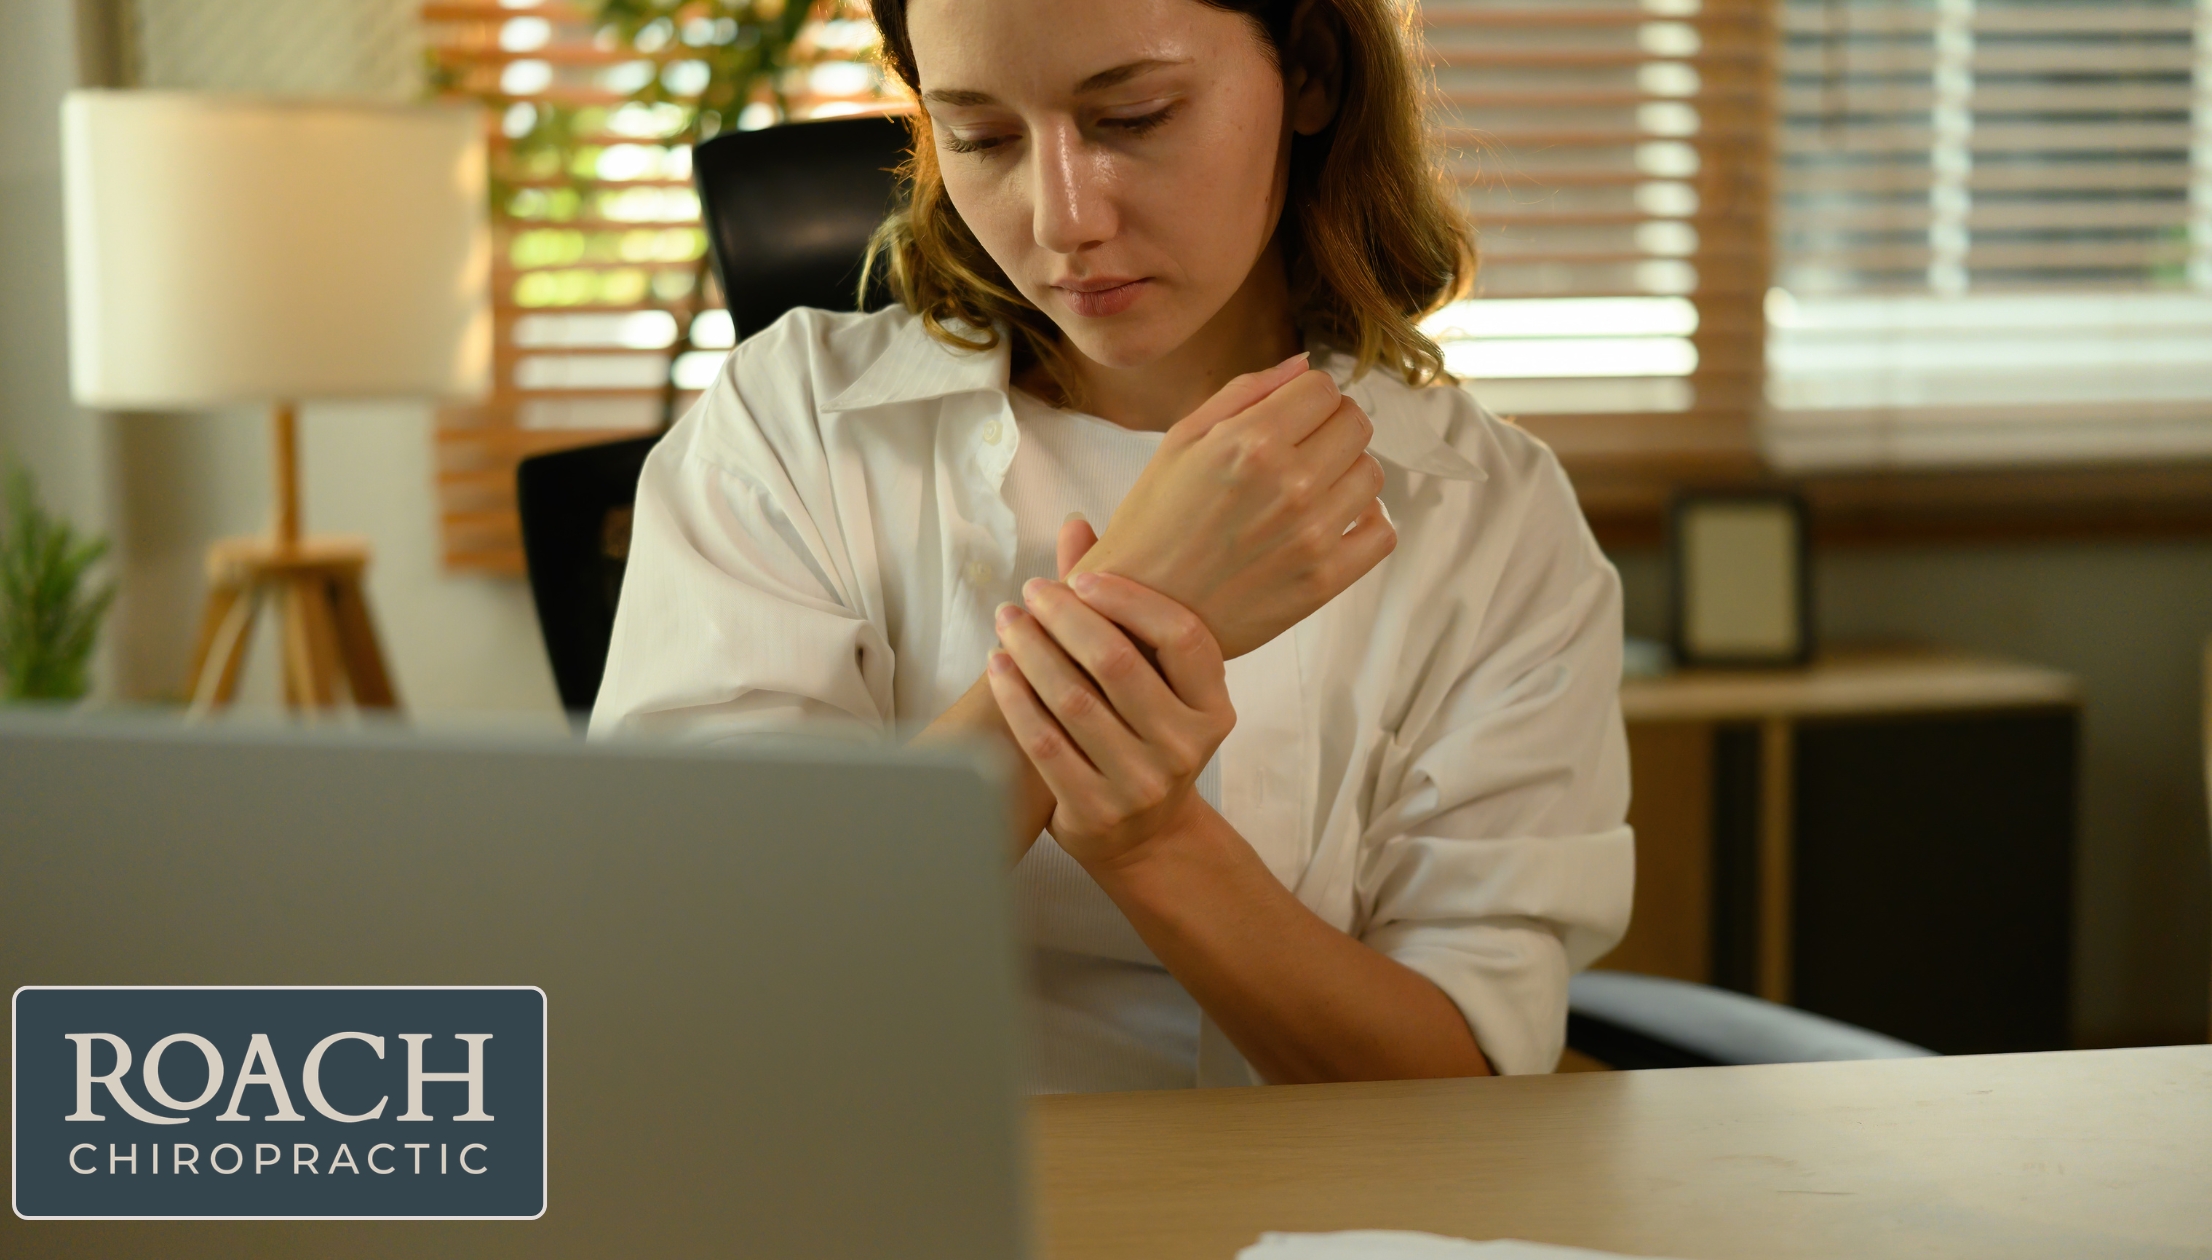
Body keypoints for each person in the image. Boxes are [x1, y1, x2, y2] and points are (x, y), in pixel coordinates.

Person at [591, 0, 1633, 1091]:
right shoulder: (790, 428)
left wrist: (1153, 844)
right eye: (981, 137)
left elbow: (1460, 1079)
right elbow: (705, 973)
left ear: (1312, 74)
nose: (1061, 220)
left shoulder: (1489, 512)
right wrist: (1138, 594)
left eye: (1132, 118)